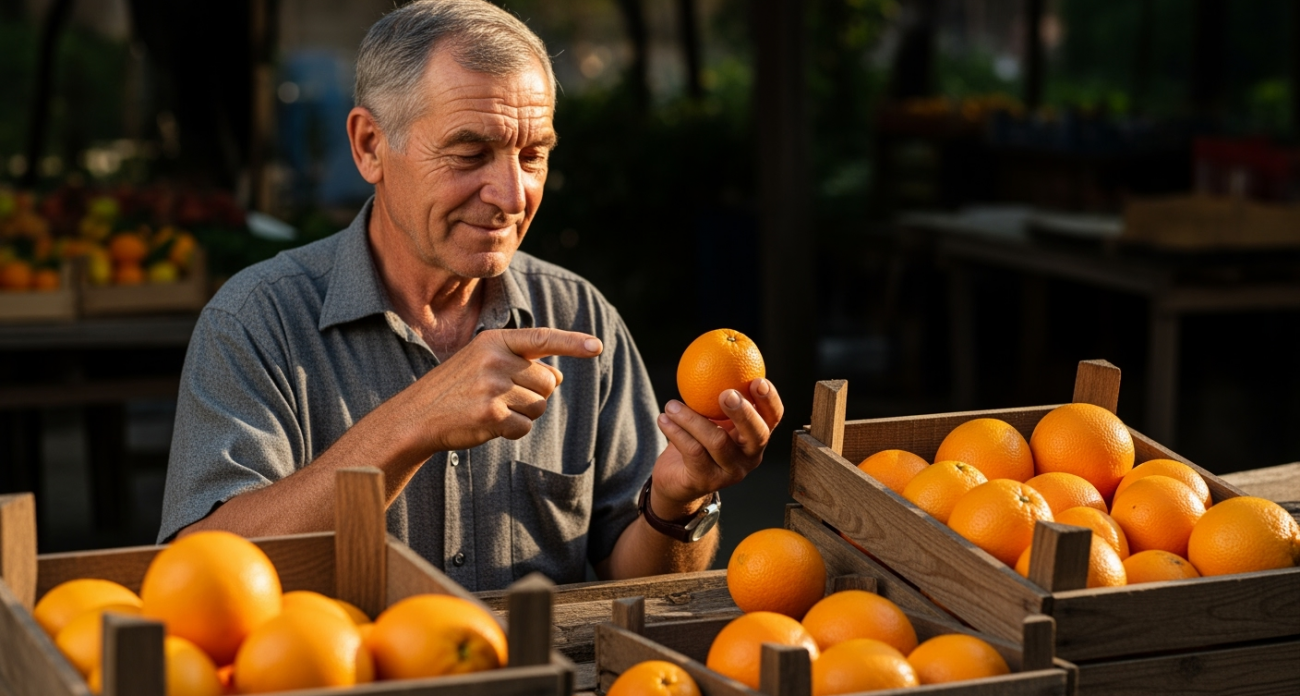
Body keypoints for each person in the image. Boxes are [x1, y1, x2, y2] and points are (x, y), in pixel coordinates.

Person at [158, 0, 782, 591]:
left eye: (532, 155)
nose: (512, 196)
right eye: (469, 153)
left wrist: (677, 502)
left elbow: (640, 584)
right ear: (370, 146)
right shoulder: (257, 321)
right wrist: (414, 420)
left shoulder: (582, 318)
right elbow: (196, 575)